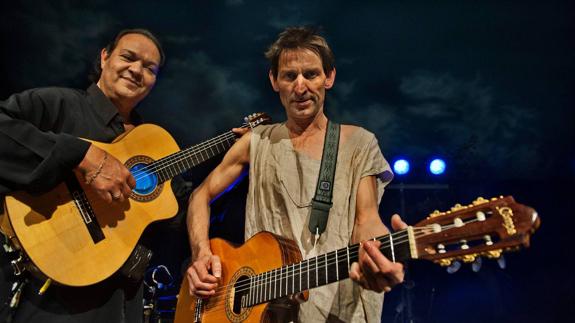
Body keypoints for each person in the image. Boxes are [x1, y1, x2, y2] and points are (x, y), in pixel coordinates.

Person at [186, 26, 405, 322]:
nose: (300, 87)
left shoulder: (358, 143)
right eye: (289, 76)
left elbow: (366, 222)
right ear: (274, 81)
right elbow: (200, 195)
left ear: (329, 77)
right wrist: (201, 256)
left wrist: (383, 253)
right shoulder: (257, 141)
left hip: (335, 312)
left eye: (311, 74)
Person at [0, 28, 164, 322]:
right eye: (128, 57)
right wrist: (79, 154)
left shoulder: (150, 144)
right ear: (104, 57)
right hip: (45, 297)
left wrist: (237, 156)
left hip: (119, 300)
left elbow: (182, 209)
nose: (137, 70)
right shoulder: (56, 103)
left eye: (150, 69)